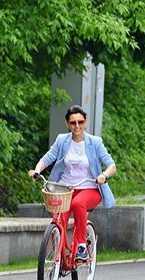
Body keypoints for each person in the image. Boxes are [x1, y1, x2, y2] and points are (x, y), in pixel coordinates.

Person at [28, 105, 116, 263]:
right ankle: (58, 254)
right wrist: (37, 170)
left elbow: (112, 166)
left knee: (78, 204)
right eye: (73, 122)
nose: (77, 126)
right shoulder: (62, 140)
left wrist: (103, 175)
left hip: (90, 187)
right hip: (65, 189)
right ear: (67, 124)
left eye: (80, 122)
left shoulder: (95, 142)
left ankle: (81, 246)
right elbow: (48, 158)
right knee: (58, 219)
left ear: (85, 122)